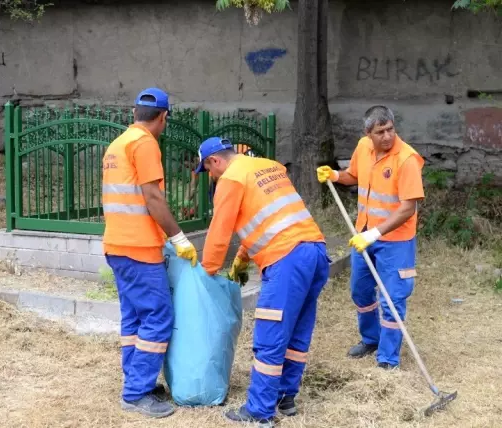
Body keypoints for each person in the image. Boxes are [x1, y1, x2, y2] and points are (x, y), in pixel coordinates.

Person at [196, 137, 330, 425]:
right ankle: (286, 397)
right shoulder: (266, 167)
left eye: (208, 169)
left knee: (270, 334)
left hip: (287, 259)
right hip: (315, 251)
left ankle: (259, 411)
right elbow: (269, 215)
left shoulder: (229, 179)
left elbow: (219, 233)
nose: (211, 176)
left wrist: (206, 272)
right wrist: (243, 256)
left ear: (214, 161)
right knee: (296, 330)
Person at [101, 87, 198, 419]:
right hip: (139, 248)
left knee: (134, 318)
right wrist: (179, 237)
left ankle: (135, 379)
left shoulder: (118, 144)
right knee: (158, 317)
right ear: (164, 117)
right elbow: (152, 198)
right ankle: (136, 392)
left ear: (133, 113)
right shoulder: (144, 144)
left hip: (117, 245)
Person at [316, 105, 425, 370]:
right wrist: (335, 175)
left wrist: (375, 233)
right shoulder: (363, 147)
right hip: (364, 235)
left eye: (390, 130)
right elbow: (354, 175)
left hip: (395, 241)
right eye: (380, 132)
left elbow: (407, 207)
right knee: (361, 292)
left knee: (392, 298)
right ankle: (371, 339)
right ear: (368, 133)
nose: (387, 136)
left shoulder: (407, 159)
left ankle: (388, 358)